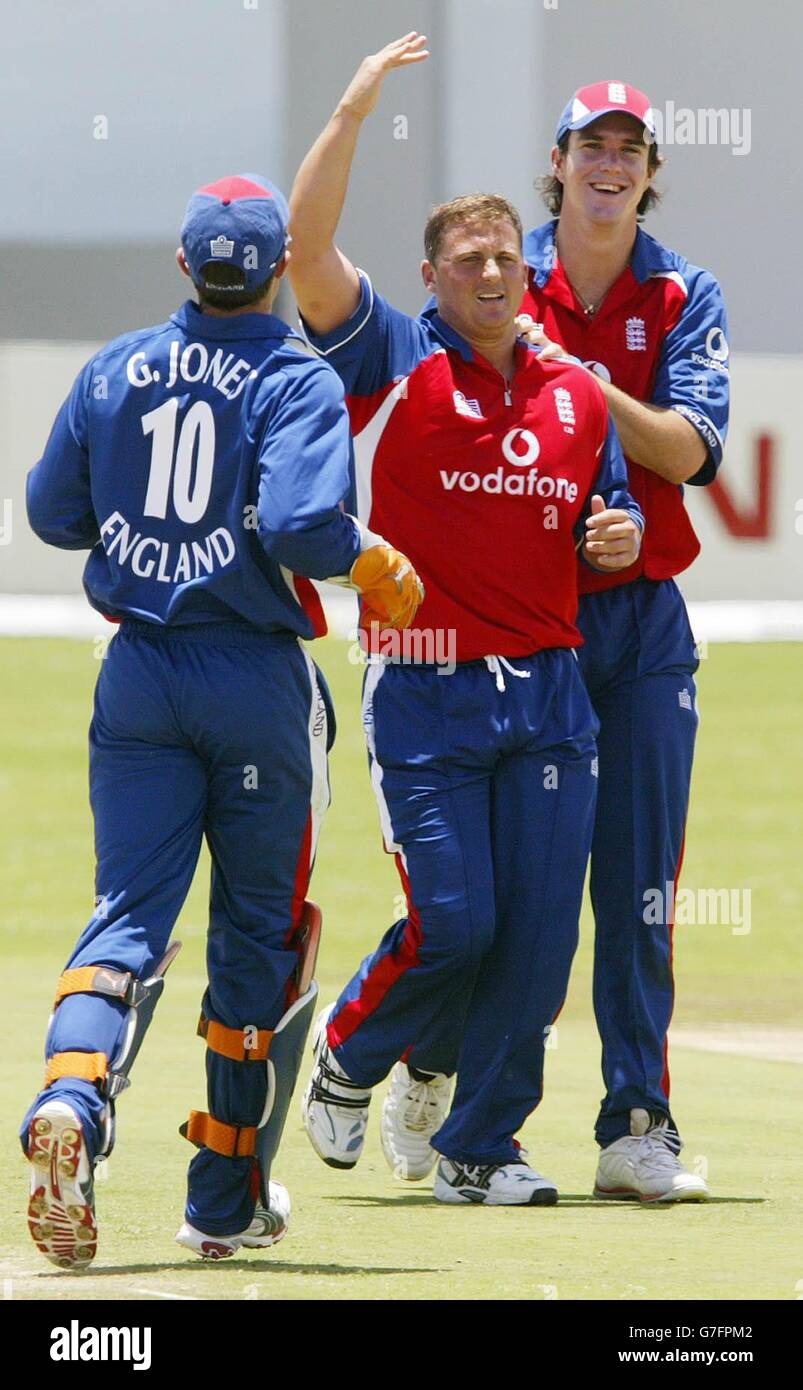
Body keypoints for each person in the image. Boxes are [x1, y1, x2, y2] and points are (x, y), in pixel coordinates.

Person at [20, 172, 422, 1268]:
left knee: (129, 914)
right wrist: (370, 558)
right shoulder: (292, 375)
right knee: (261, 940)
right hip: (252, 681)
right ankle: (222, 1197)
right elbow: (299, 521)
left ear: (185, 267)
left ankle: (73, 1095)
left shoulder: (116, 365)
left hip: (138, 674)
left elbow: (54, 511)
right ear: (279, 269)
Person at [288, 36, 644, 1205]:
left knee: (536, 943)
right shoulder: (392, 359)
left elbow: (612, 516)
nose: (490, 273)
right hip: (424, 680)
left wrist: (617, 536)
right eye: (467, 260)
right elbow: (304, 251)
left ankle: (477, 1147)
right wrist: (350, 109)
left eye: (503, 256)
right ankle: (348, 1056)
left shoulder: (571, 395)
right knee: (452, 923)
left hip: (548, 688)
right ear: (432, 277)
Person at [398, 80, 730, 1203]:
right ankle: (437, 1076)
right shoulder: (501, 266)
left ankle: (634, 1122)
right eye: (592, 144)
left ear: (647, 169)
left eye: (629, 148)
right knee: (494, 901)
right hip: (510, 629)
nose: (610, 163)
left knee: (637, 885)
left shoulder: (679, 289)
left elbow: (687, 451)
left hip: (635, 625)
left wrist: (586, 394)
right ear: (558, 158)